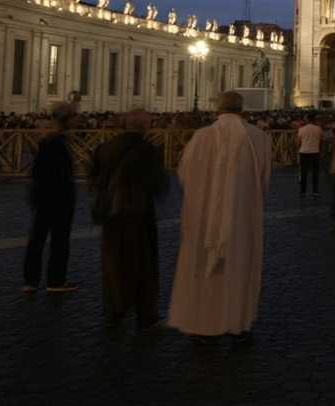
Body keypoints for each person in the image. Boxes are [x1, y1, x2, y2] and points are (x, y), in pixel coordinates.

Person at [168, 91, 272, 344]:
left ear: (217, 110)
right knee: (239, 266)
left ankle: (201, 325)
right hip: (243, 218)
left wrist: (206, 196)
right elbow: (264, 180)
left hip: (202, 218)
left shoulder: (201, 137)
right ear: (242, 109)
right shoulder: (259, 138)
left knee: (202, 269)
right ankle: (238, 322)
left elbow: (184, 173)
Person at [89, 109, 168, 329]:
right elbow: (158, 184)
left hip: (112, 215)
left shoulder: (104, 148)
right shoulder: (148, 150)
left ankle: (115, 310)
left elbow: (92, 177)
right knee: (143, 264)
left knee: (113, 262)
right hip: (139, 214)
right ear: (144, 127)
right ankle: (146, 315)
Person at [23, 102, 79, 295]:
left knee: (37, 238)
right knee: (59, 240)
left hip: (43, 196)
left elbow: (38, 171)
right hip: (58, 198)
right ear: (67, 119)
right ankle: (56, 280)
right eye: (74, 116)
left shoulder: (47, 140)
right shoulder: (57, 142)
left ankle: (30, 280)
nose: (77, 120)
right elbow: (59, 173)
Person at [296, 114, 322, 198]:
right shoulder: (318, 129)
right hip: (315, 152)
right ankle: (315, 191)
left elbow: (298, 142)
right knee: (315, 173)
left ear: (306, 120)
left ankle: (303, 191)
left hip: (303, 152)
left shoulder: (301, 129)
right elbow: (321, 140)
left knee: (304, 173)